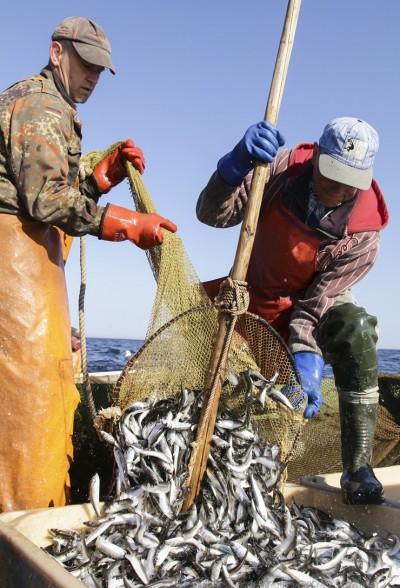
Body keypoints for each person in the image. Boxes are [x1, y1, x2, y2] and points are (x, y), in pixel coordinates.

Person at [0, 16, 177, 512]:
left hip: (32, 269)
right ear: (58, 54)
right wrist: (123, 223)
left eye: (101, 69)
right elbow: (43, 202)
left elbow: (46, 193)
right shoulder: (37, 104)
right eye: (86, 64)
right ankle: (20, 535)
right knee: (27, 413)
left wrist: (99, 180)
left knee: (51, 396)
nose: (94, 77)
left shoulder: (54, 107)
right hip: (12, 273)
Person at [197, 117, 389, 505]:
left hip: (306, 308)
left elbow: (316, 304)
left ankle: (358, 468)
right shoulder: (281, 170)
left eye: (349, 181)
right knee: (201, 358)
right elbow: (212, 214)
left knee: (357, 329)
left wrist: (307, 357)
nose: (337, 189)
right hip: (249, 295)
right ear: (316, 156)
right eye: (330, 175)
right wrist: (233, 167)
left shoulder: (365, 235)